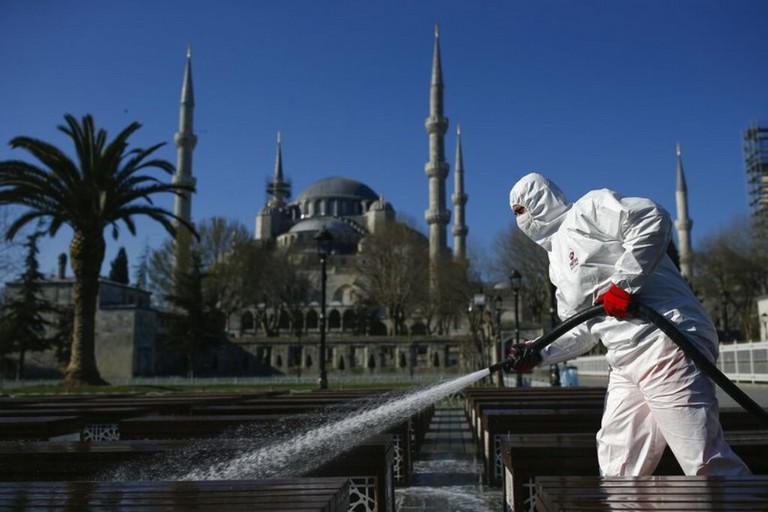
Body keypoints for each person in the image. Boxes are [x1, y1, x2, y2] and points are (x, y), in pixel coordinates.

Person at [505, 172, 750, 477]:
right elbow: (581, 329)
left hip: (665, 341)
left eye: (521, 209)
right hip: (623, 359)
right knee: (618, 464)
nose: (521, 220)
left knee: (703, 460)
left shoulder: (588, 210)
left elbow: (652, 218)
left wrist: (624, 284)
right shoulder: (556, 265)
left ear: (540, 201)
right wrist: (539, 351)